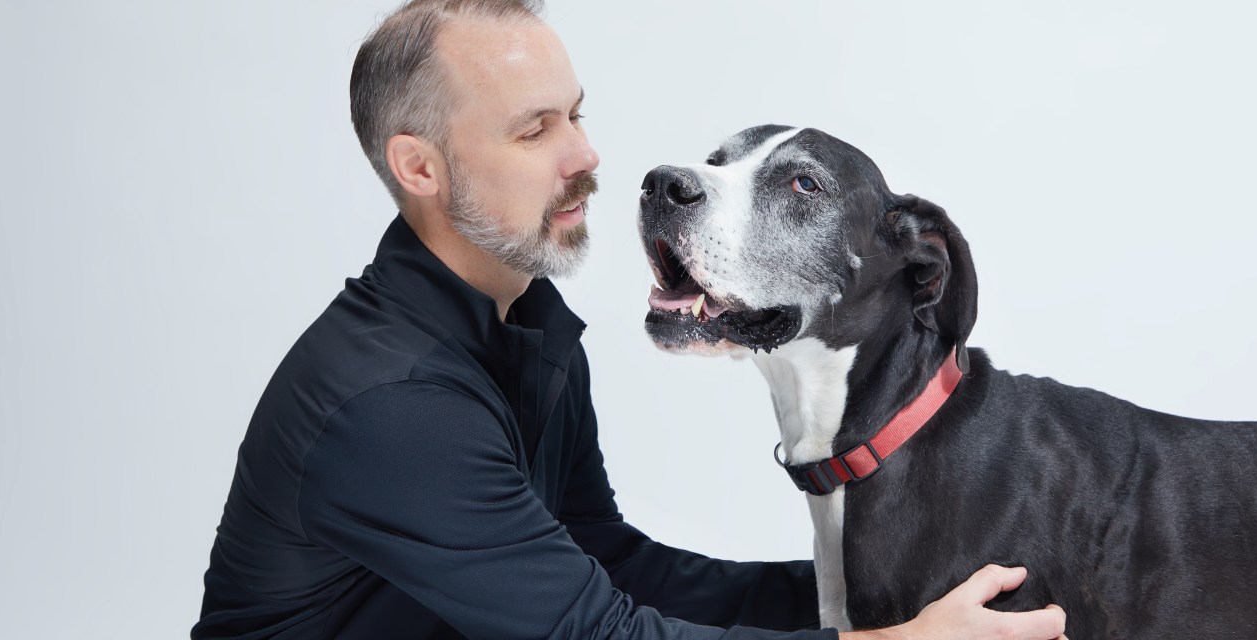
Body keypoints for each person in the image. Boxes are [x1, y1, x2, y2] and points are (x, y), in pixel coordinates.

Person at [192, 1, 1068, 638]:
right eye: (535, 131)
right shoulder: (390, 402)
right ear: (419, 167)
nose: (586, 156)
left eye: (576, 114)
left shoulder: (527, 327)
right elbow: (596, 634)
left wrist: (867, 590)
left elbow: (610, 563)